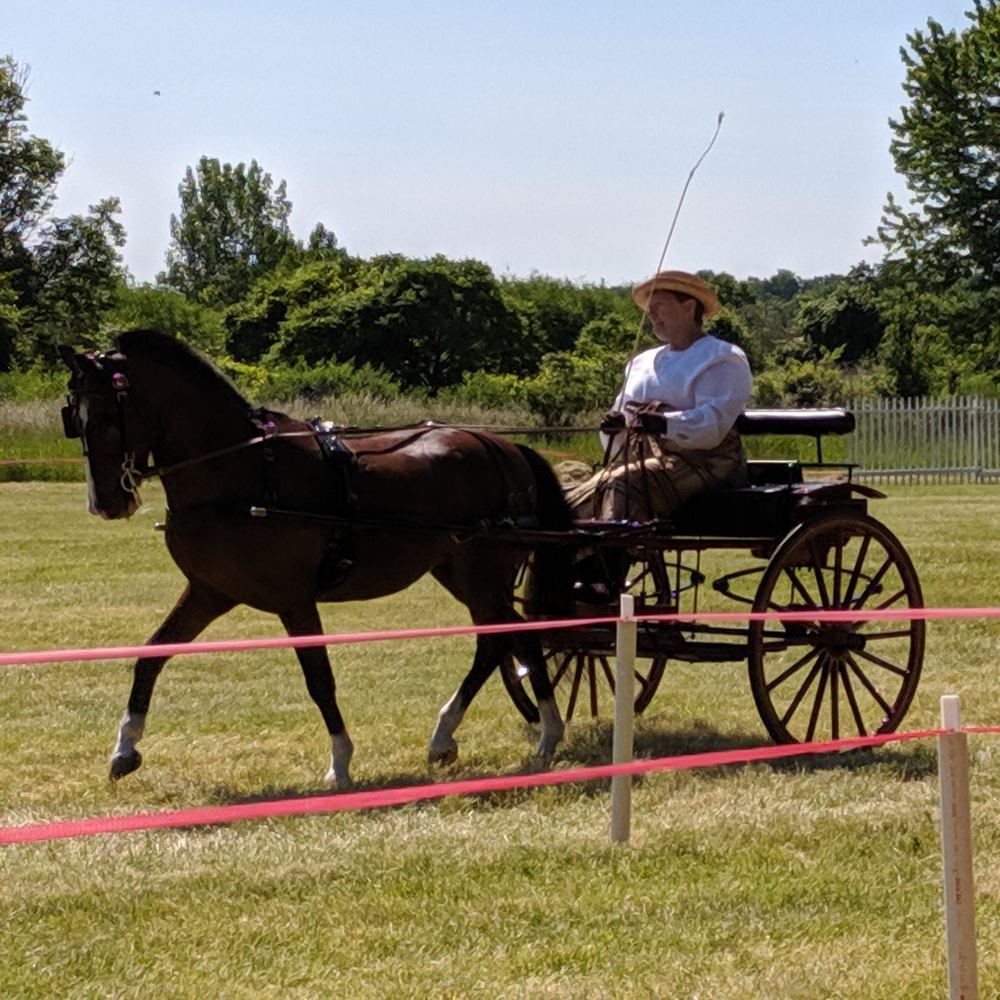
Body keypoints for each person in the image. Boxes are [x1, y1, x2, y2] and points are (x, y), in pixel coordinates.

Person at [565, 269, 753, 523]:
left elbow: (713, 424)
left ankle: (610, 554)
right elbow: (622, 421)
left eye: (659, 306)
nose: (651, 314)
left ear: (688, 307)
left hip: (705, 465)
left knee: (620, 485)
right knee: (567, 498)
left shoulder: (722, 357)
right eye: (649, 308)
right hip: (642, 462)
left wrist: (665, 423)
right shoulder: (641, 362)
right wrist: (614, 427)